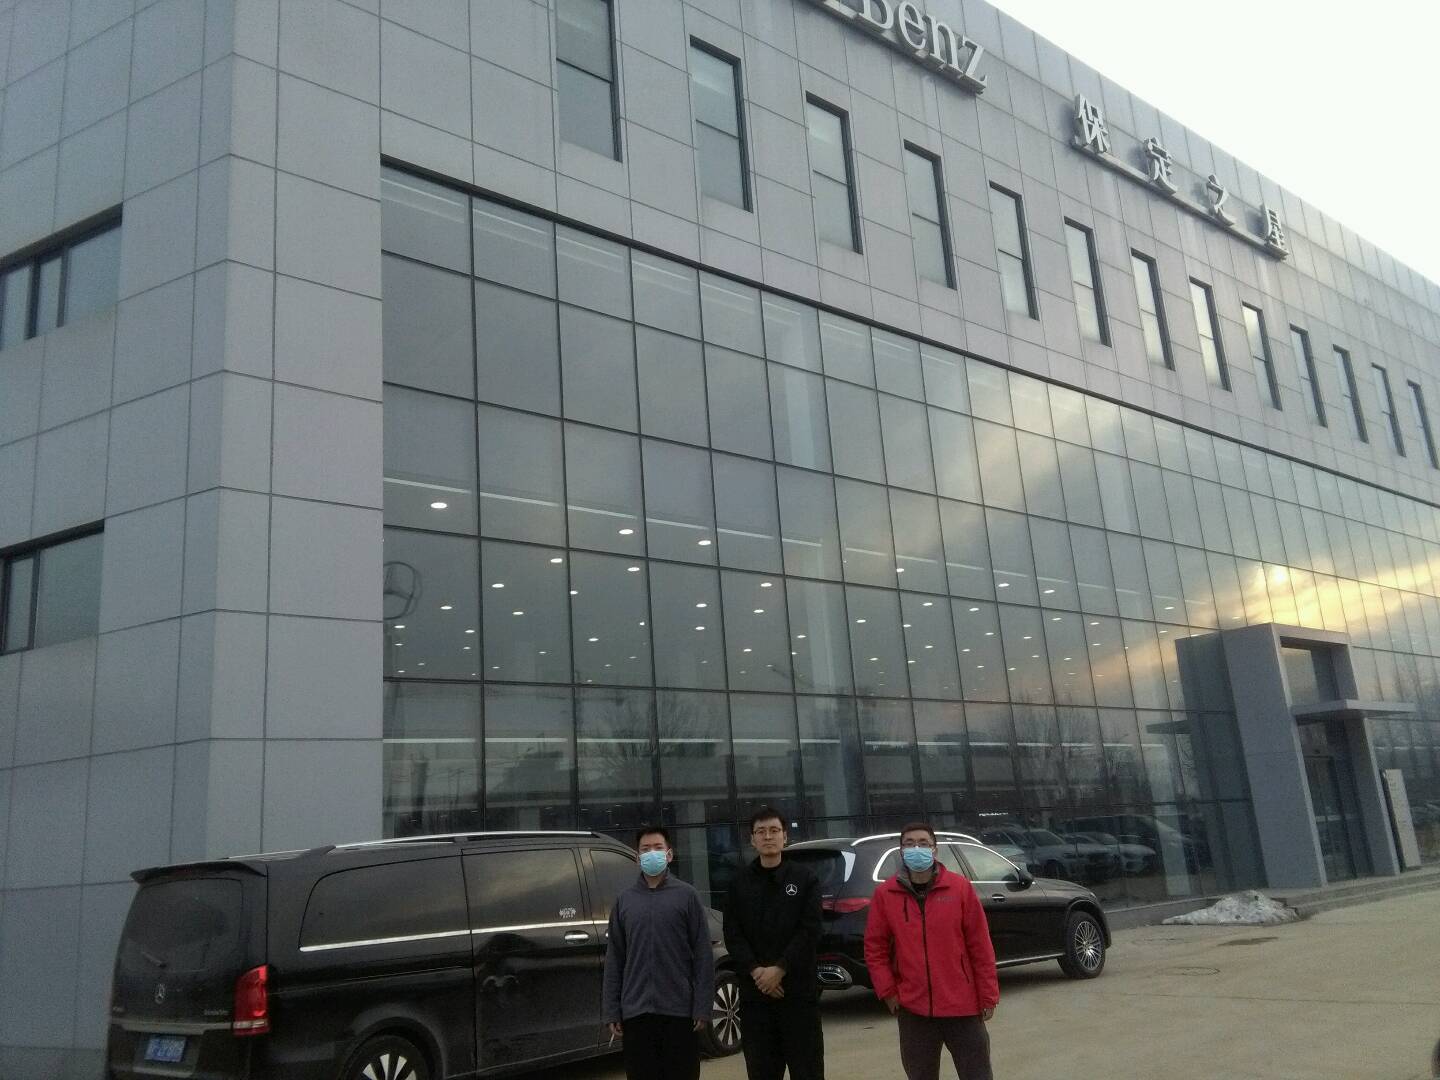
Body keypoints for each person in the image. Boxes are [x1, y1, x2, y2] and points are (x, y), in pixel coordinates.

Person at [863, 822, 999, 1080]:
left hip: (963, 1007)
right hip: (914, 1011)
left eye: (923, 843)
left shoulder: (960, 888)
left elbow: (980, 945)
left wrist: (988, 994)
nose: (917, 849)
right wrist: (888, 992)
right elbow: (875, 947)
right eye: (909, 844)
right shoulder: (885, 894)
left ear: (935, 850)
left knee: (977, 1074)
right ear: (901, 851)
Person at [602, 825, 716, 1080]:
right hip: (637, 1014)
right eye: (645, 849)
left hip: (680, 1013)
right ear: (637, 857)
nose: (651, 853)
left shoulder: (687, 896)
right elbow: (615, 959)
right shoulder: (625, 901)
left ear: (669, 854)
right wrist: (612, 1009)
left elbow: (703, 956)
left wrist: (702, 1007)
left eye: (657, 848)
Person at [723, 807, 825, 1080]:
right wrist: (758, 972)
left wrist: (780, 969)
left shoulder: (805, 879)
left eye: (774, 830)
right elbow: (733, 934)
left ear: (785, 836)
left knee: (808, 1070)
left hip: (798, 995)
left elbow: (810, 930)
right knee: (761, 1072)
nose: (768, 837)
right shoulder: (738, 883)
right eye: (761, 832)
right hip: (756, 997)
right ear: (752, 839)